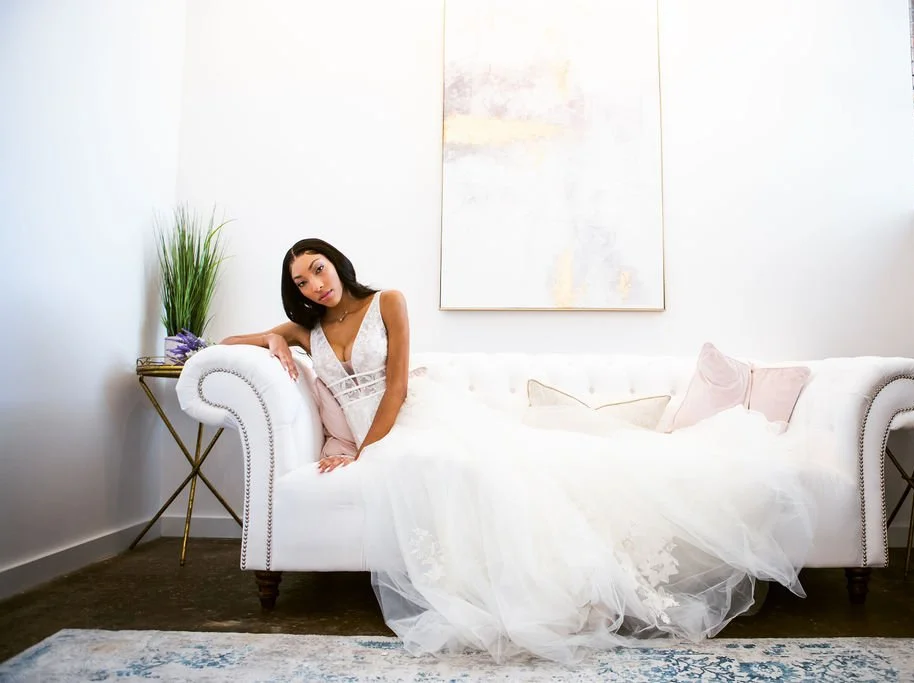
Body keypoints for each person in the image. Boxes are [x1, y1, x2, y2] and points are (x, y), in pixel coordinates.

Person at [222, 237, 837, 666]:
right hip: (378, 438)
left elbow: (399, 383)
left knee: (466, 466)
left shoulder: (388, 302)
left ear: (337, 263)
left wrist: (366, 450)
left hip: (412, 417)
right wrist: (278, 342)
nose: (315, 285)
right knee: (428, 472)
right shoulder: (311, 329)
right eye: (301, 282)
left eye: (319, 270)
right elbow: (229, 339)